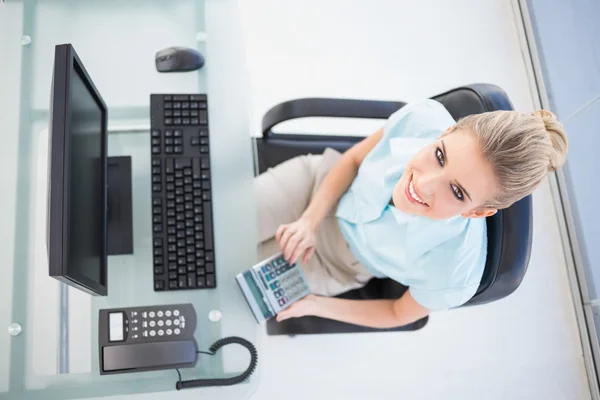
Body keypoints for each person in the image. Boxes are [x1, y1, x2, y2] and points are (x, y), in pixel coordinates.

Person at [255, 99, 568, 329]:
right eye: (440, 155)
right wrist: (309, 220)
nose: (423, 184)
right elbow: (352, 160)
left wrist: (313, 305)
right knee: (211, 226)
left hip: (336, 264)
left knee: (223, 285)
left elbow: (397, 313)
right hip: (318, 186)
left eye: (457, 192)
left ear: (478, 211)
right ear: (445, 132)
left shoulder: (454, 271)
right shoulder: (423, 118)